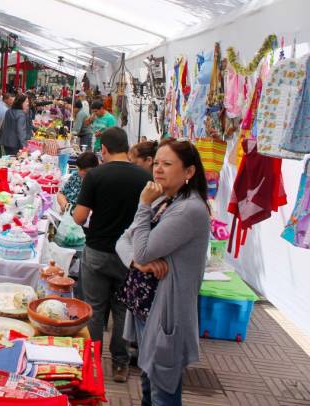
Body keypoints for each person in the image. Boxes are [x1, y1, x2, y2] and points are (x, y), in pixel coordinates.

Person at [115, 139, 210, 405]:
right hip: (147, 308)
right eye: (156, 162)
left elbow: (143, 249)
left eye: (167, 164)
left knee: (162, 392)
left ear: (189, 172)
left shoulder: (188, 209)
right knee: (148, 383)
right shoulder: (165, 201)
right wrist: (137, 263)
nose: (158, 169)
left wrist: (143, 205)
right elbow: (123, 241)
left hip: (166, 313)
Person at [72, 127, 151, 383]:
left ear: (103, 149)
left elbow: (80, 217)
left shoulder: (96, 175)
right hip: (130, 255)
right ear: (127, 148)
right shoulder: (144, 177)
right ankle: (120, 364)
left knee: (94, 309)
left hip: (98, 250)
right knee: (122, 310)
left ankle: (91, 362)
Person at [0, 94, 30, 164]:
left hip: (6, 141)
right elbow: (21, 132)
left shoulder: (9, 111)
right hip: (15, 144)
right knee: (14, 163)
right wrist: (24, 147)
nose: (28, 103)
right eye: (26, 102)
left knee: (8, 161)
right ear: (21, 103)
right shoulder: (21, 114)